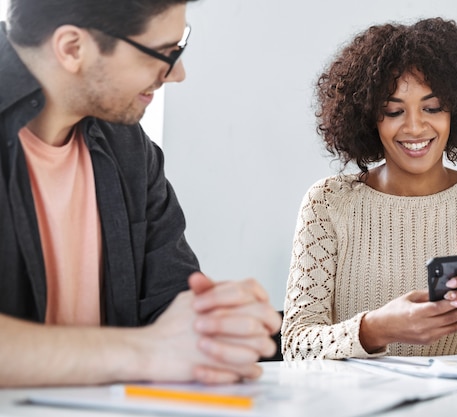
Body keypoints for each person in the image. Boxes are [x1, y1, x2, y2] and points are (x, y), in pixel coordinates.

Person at [0, 0, 281, 387]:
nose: (177, 73)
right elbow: (157, 346)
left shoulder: (130, 149)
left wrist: (215, 324)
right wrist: (144, 351)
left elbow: (170, 306)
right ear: (72, 49)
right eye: (165, 54)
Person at [281, 17, 457, 363]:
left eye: (432, 108)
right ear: (370, 116)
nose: (415, 127)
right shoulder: (327, 203)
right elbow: (296, 346)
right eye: (393, 110)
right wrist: (377, 328)